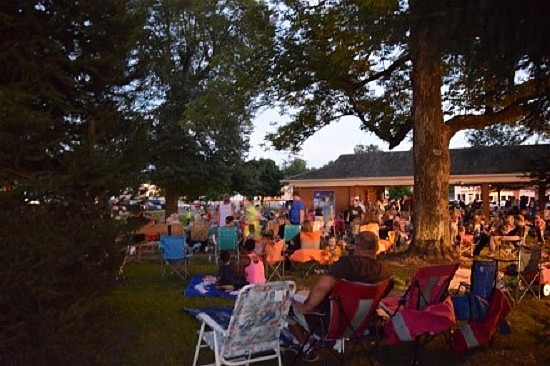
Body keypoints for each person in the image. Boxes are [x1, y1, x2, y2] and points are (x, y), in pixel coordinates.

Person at [287, 231, 392, 361]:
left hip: (329, 326)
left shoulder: (346, 265)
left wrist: (306, 307)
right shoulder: (385, 273)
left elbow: (321, 288)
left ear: (357, 247)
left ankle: (307, 346)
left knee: (288, 308)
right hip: (360, 326)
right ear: (376, 248)